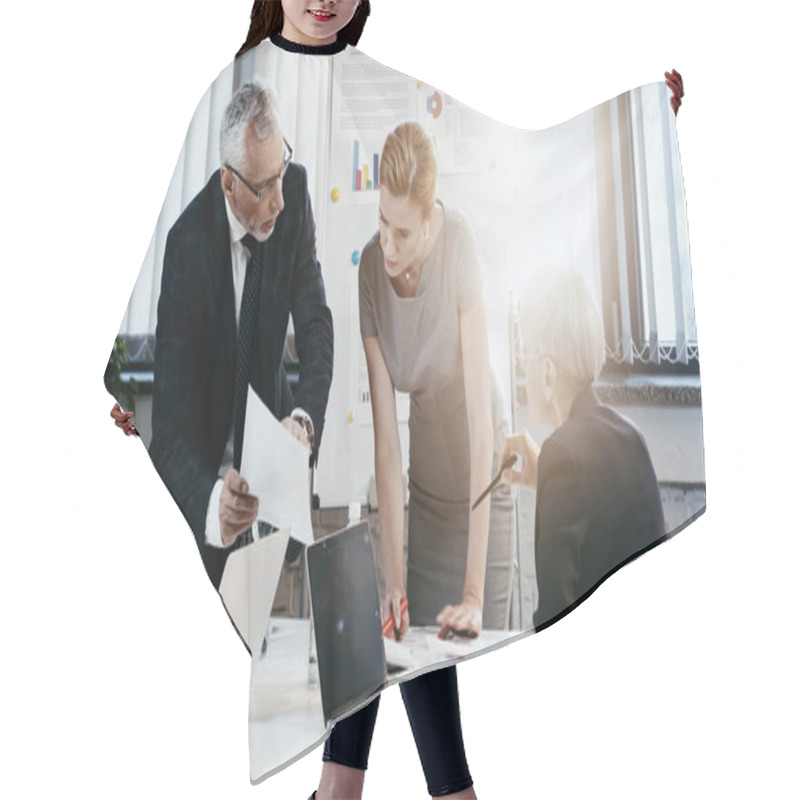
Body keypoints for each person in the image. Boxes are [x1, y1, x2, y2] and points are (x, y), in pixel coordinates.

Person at [148, 78, 334, 592]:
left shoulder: (292, 196)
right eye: (262, 186)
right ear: (229, 183)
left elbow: (316, 324)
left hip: (275, 489)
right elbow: (168, 425)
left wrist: (305, 419)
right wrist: (213, 504)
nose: (277, 200)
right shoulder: (186, 247)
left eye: (280, 174)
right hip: (211, 493)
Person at [500, 269, 667, 630]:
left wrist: (550, 472)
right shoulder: (631, 436)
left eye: (524, 359)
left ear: (547, 373)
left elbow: (553, 620)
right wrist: (544, 476)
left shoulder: (561, 455)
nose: (523, 373)